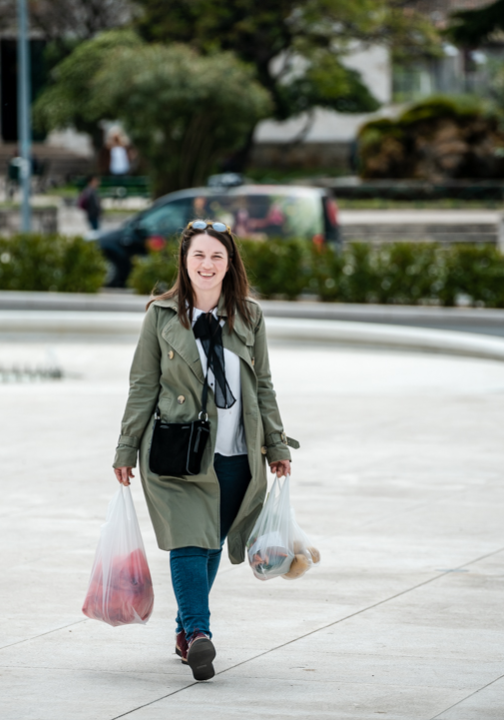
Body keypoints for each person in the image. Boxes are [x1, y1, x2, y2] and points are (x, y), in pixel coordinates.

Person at [112, 220, 296, 682]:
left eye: (216, 256)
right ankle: (198, 634)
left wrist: (275, 443)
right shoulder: (161, 316)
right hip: (177, 451)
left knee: (211, 541)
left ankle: (182, 630)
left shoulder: (250, 316)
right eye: (199, 256)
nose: (207, 264)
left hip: (238, 451)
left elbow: (265, 385)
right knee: (189, 541)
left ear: (229, 262)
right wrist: (126, 447)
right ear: (184, 262)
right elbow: (143, 385)